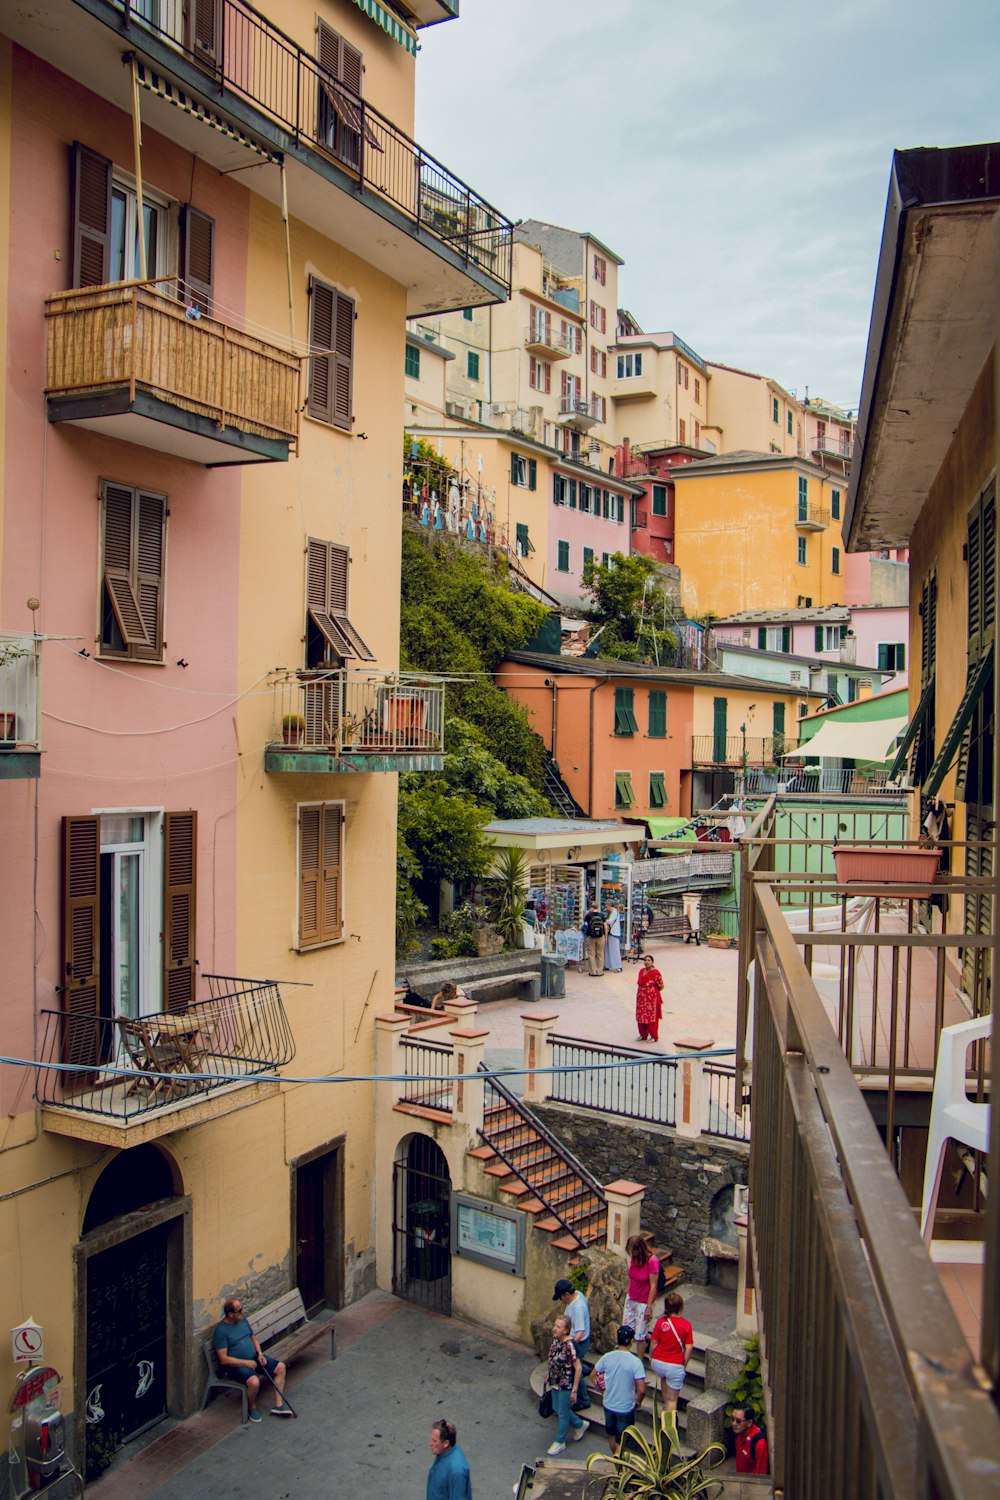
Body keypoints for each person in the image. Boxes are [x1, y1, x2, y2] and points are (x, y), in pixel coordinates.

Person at [211, 1298, 291, 1422]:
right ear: (230, 1314)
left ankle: (279, 1406)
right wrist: (245, 1363)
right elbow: (224, 1359)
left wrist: (260, 1354)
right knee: (254, 1382)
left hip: (254, 1359)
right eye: (240, 1310)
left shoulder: (242, 1321)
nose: (243, 1312)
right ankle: (251, 1407)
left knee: (281, 1368)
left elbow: (253, 1339)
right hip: (236, 1366)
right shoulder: (221, 1332)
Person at [593, 1325, 646, 1455]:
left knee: (611, 1434)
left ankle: (615, 1456)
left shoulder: (607, 1357)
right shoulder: (635, 1362)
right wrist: (638, 1402)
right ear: (631, 1341)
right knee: (621, 1439)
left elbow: (593, 1374)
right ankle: (619, 1462)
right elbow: (642, 1390)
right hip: (625, 1407)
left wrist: (602, 1389)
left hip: (608, 1403)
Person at [545, 1313, 588, 1455]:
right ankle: (579, 1424)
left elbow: (578, 1367)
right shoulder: (556, 1340)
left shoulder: (570, 1345)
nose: (554, 1329)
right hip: (555, 1381)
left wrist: (574, 1390)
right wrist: (549, 1375)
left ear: (566, 1330)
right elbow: (553, 1359)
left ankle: (559, 1441)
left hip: (565, 1384)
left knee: (562, 1413)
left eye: (558, 1327)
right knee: (556, 1408)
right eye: (554, 1325)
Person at [648, 1291, 693, 1412]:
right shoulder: (686, 1325)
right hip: (675, 1364)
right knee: (673, 1400)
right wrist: (683, 1364)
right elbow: (688, 1348)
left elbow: (654, 1342)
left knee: (664, 1377)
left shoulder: (661, 1322)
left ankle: (665, 1405)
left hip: (658, 1363)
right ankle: (668, 1426)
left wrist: (651, 1357)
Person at [553, 1277, 591, 1407]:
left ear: (567, 1295)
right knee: (578, 1365)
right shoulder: (578, 1294)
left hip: (578, 1343)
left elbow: (581, 1332)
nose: (560, 1300)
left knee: (576, 1370)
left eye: (561, 1297)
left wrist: (568, 1345)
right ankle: (588, 1370)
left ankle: (584, 1400)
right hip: (575, 1340)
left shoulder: (577, 1308)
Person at [622, 1234, 660, 1356]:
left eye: (634, 1251)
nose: (632, 1255)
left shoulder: (652, 1261)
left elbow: (653, 1285)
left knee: (640, 1335)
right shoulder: (634, 1259)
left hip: (644, 1301)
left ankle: (639, 1361)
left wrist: (649, 1307)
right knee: (626, 1331)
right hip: (632, 1297)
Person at [427, 1418, 473, 1499]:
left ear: (445, 1443)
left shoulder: (456, 1471)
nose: (430, 1443)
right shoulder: (444, 1452)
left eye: (434, 1441)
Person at [731, 1404, 769, 1474]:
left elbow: (761, 1474)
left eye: (738, 1421)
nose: (734, 1423)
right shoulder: (740, 1433)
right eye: (732, 1419)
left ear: (749, 1423)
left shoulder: (760, 1444)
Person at [635, 954, 664, 1042]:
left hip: (651, 1000)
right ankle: (643, 1034)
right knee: (641, 1016)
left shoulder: (655, 973)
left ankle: (654, 1036)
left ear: (652, 962)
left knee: (651, 1017)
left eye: (649, 960)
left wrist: (652, 992)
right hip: (641, 999)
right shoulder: (641, 971)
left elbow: (661, 985)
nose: (646, 962)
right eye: (645, 960)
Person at [581, 904, 607, 976]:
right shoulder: (602, 915)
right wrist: (606, 937)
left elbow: (584, 919)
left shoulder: (589, 915)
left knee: (591, 954)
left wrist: (589, 912)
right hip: (600, 937)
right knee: (600, 954)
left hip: (591, 937)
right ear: (598, 907)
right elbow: (605, 927)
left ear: (591, 908)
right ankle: (600, 971)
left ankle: (593, 972)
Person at [605, 903, 623, 972]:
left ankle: (618, 966)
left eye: (607, 907)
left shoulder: (614, 913)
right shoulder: (613, 913)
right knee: (609, 949)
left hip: (614, 933)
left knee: (615, 950)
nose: (607, 908)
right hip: (612, 933)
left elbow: (610, 921)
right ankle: (609, 965)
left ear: (609, 906)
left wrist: (605, 921)